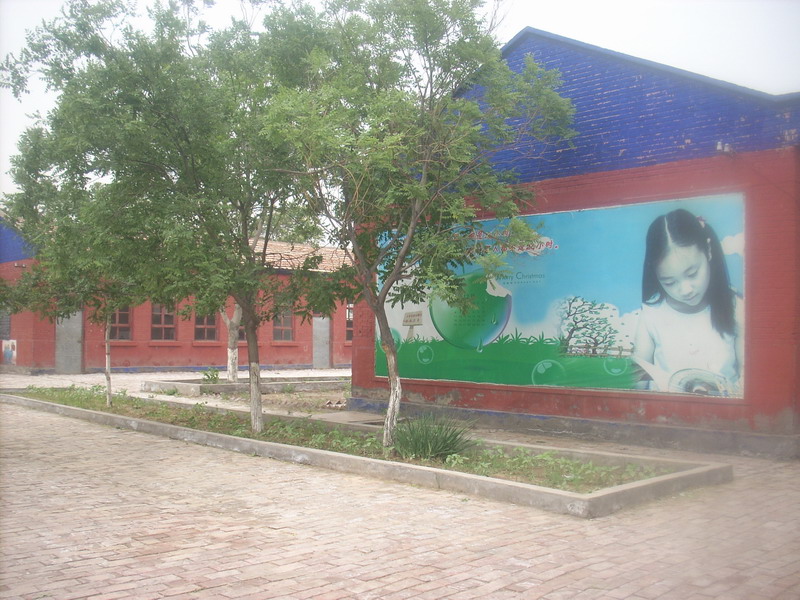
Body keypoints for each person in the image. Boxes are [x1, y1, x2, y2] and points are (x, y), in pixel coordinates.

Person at [632, 209, 743, 395]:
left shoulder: (736, 307)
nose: (685, 290)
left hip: (723, 411)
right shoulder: (652, 314)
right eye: (669, 282)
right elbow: (639, 379)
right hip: (665, 411)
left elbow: (749, 374)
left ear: (708, 250)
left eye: (692, 274)